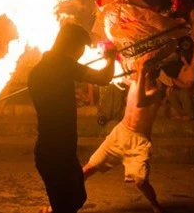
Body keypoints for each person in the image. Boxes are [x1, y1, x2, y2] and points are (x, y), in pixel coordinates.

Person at [28, 24, 117, 213]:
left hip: (54, 149)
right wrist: (111, 58)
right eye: (81, 49)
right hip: (56, 151)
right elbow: (104, 78)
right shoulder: (61, 65)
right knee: (67, 204)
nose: (80, 54)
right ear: (71, 45)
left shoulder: (39, 70)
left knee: (76, 197)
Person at [83, 50, 166, 213]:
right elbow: (115, 78)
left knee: (140, 182)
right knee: (86, 170)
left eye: (139, 69)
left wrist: (141, 71)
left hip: (138, 142)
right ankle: (64, 205)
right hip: (119, 133)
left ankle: (156, 206)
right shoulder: (135, 81)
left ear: (148, 73)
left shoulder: (157, 91)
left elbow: (141, 101)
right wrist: (109, 61)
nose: (134, 70)